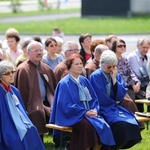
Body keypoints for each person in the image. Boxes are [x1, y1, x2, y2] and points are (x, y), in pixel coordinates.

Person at [50, 54, 115, 150]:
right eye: (76, 64)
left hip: (88, 115)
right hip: (72, 116)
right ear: (70, 67)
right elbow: (65, 105)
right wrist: (84, 112)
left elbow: (94, 99)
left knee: (104, 126)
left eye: (81, 63)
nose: (80, 66)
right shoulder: (64, 83)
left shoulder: (84, 80)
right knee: (88, 127)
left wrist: (94, 110)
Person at [89, 50, 142, 150]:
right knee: (120, 124)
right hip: (102, 108)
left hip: (114, 108)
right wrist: (114, 102)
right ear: (102, 64)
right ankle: (108, 147)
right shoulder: (95, 76)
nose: (112, 69)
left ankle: (117, 146)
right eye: (109, 67)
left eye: (114, 66)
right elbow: (99, 97)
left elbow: (120, 95)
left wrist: (114, 79)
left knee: (132, 123)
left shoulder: (116, 75)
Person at [14, 41, 56, 142]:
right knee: (38, 112)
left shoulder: (46, 68)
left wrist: (53, 105)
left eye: (40, 50)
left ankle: (61, 141)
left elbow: (50, 90)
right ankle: (37, 142)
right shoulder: (23, 69)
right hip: (31, 104)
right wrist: (45, 108)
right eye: (35, 51)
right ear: (28, 53)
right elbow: (25, 96)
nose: (39, 53)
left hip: (45, 101)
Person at [0, 60, 45, 150]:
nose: (11, 75)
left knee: (32, 130)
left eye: (12, 72)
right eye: (7, 73)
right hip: (5, 125)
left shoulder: (15, 91)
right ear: (0, 77)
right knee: (15, 137)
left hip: (19, 122)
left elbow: (22, 111)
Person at [128, 37, 150, 112]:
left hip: (145, 83)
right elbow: (138, 74)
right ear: (138, 46)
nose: (145, 50)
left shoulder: (148, 56)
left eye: (147, 47)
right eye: (143, 47)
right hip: (136, 84)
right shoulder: (133, 57)